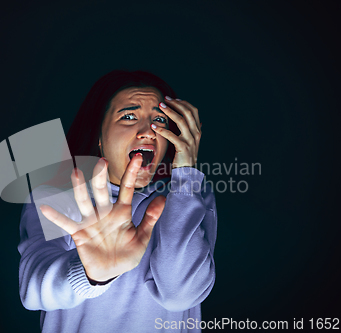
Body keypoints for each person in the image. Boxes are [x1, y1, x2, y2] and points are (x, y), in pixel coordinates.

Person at [18, 70, 217, 332]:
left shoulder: (191, 195)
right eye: (129, 116)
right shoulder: (57, 194)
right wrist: (92, 275)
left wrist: (186, 178)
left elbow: (180, 294)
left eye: (159, 120)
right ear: (99, 137)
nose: (148, 131)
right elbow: (33, 290)